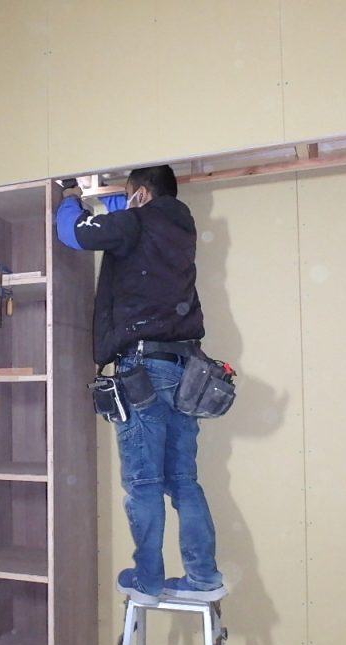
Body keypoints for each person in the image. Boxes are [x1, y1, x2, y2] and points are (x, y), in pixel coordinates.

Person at [55, 165, 226, 605]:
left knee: (144, 482)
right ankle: (204, 577)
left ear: (143, 195)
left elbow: (74, 234)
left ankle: (148, 581)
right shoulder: (179, 229)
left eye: (130, 195)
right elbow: (125, 224)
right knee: (183, 480)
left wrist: (70, 197)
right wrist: (117, 201)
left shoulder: (137, 223)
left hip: (143, 367)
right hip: (186, 369)